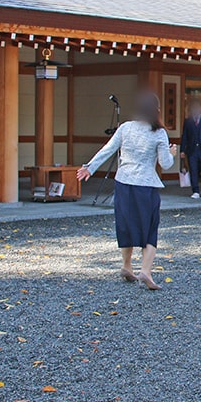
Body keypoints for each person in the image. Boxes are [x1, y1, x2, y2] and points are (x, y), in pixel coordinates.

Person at [77, 91, 176, 291]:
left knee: (126, 224)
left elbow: (108, 148)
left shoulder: (125, 128)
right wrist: (172, 153)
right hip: (146, 186)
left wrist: (90, 167)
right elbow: (165, 164)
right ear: (156, 110)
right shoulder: (159, 133)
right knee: (149, 228)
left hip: (123, 183)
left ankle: (126, 265)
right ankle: (146, 271)